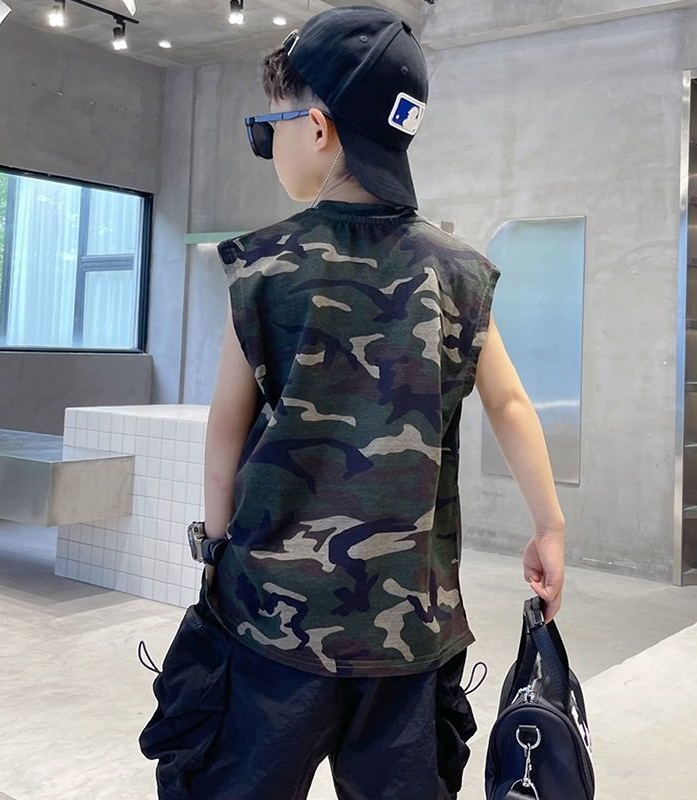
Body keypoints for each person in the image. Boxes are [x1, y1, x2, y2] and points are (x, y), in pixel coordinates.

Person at [138, 6, 566, 799]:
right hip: (409, 628)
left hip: (271, 621)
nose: (268, 146)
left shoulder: (263, 267)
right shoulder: (458, 272)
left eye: (268, 129)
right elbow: (509, 403)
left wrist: (218, 548)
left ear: (317, 128)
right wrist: (550, 525)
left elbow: (227, 425)